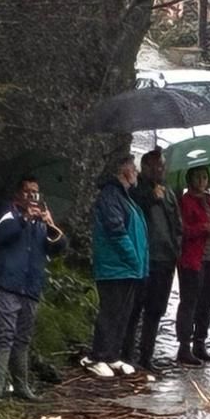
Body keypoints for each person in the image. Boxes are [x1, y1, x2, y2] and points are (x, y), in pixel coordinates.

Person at [0, 175, 67, 400]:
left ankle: (21, 386)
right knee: (4, 334)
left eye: (35, 192)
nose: (32, 197)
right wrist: (23, 218)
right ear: (18, 194)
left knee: (23, 338)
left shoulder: (41, 220)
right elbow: (2, 235)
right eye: (27, 192)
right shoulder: (8, 211)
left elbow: (59, 247)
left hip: (31, 286)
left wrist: (51, 225)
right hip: (8, 284)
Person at [85, 153, 149, 378]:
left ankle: (112, 355)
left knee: (123, 313)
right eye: (133, 166)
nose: (136, 171)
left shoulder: (125, 195)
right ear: (122, 170)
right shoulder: (110, 195)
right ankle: (98, 356)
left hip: (127, 268)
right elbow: (116, 231)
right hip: (115, 267)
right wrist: (134, 258)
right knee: (111, 312)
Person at [127, 148, 182, 376]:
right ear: (146, 168)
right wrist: (151, 198)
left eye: (162, 165)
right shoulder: (136, 190)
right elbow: (134, 212)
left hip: (166, 258)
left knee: (156, 310)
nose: (161, 169)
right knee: (135, 309)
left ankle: (147, 356)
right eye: (156, 166)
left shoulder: (168, 191)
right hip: (146, 259)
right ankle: (127, 355)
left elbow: (177, 223)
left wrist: (177, 247)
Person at [176, 165, 210, 366]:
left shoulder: (208, 199)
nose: (201, 181)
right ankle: (184, 346)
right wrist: (202, 228)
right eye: (197, 177)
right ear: (190, 181)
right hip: (193, 259)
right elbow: (182, 230)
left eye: (204, 177)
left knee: (207, 301)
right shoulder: (185, 202)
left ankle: (200, 342)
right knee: (190, 302)